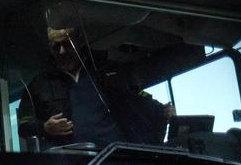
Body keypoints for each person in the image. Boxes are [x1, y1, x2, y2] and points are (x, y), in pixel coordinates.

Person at [20, 27, 173, 149]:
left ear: (78, 42)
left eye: (67, 44)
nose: (62, 51)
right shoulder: (39, 85)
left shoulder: (107, 70)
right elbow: (24, 126)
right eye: (56, 47)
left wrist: (162, 111)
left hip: (116, 157)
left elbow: (135, 98)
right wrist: (45, 128)